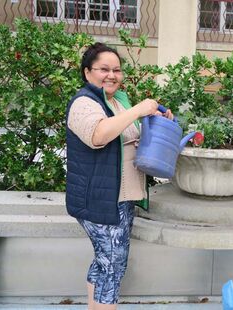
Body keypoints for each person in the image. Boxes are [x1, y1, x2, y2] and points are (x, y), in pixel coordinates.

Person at [65, 42, 173, 310]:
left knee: (106, 261)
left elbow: (128, 137)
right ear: (88, 72)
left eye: (116, 70)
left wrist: (159, 119)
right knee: (112, 265)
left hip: (121, 197)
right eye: (104, 69)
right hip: (99, 200)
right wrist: (138, 109)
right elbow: (99, 135)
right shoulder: (84, 103)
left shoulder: (116, 101)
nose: (111, 75)